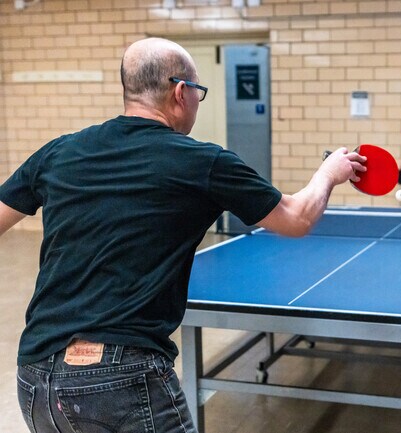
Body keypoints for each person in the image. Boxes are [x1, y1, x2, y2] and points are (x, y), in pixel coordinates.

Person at [0, 37, 365, 433]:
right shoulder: (203, 161)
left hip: (35, 375)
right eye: (198, 92)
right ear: (181, 92)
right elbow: (296, 218)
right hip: (122, 377)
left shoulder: (59, 152)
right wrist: (329, 173)